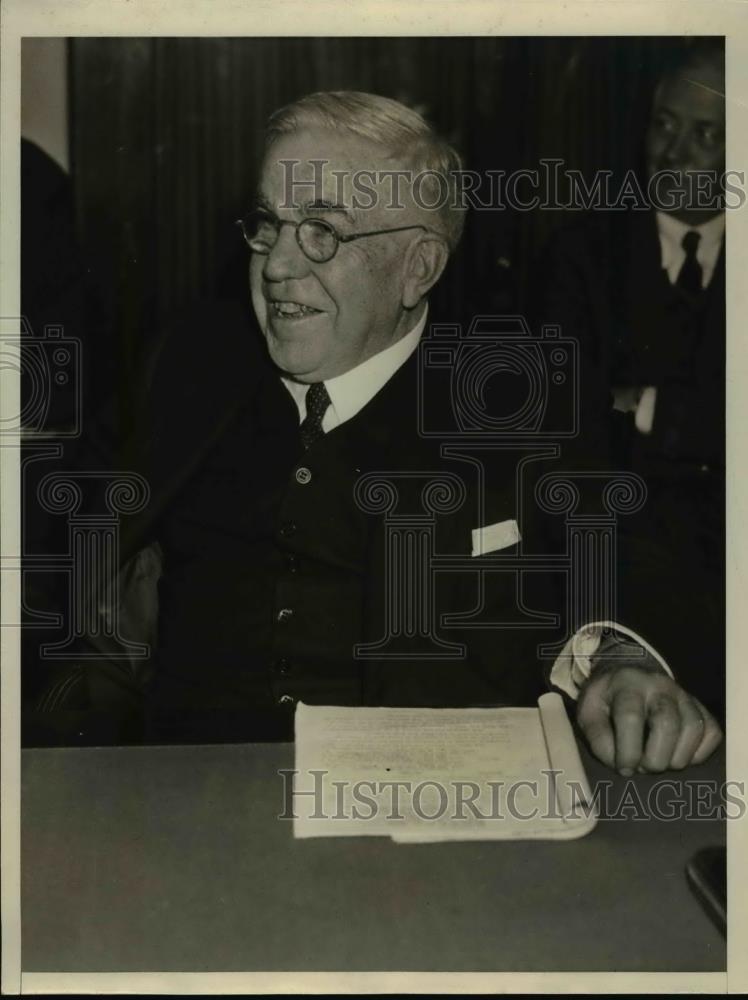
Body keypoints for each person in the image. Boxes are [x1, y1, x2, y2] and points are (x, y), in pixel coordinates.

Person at [30, 91, 722, 775]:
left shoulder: (516, 394)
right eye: (269, 224)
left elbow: (632, 550)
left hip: (419, 826)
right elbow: (59, 543)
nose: (276, 266)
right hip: (185, 801)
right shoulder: (188, 362)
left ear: (417, 267)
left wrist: (625, 657)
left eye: (323, 232)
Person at [535, 41, 726, 717]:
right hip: (624, 579)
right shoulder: (581, 256)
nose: (673, 151)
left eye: (706, 132)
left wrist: (646, 408)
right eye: (663, 124)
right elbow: (567, 436)